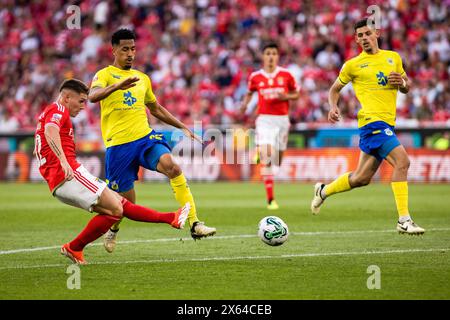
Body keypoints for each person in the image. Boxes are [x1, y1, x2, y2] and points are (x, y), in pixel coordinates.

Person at [34, 79, 190, 264]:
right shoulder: (58, 110)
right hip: (68, 174)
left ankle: (171, 218)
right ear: (67, 97)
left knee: (119, 202)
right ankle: (74, 247)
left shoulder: (49, 112)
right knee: (116, 209)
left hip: (63, 177)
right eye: (81, 101)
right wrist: (63, 162)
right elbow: (51, 132)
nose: (83, 106)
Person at [88, 29, 215, 252]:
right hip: (118, 146)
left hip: (145, 138)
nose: (130, 53)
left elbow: (155, 108)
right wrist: (116, 86)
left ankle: (195, 223)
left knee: (172, 167)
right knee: (124, 204)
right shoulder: (104, 74)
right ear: (114, 50)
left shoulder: (142, 79)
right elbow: (92, 96)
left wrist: (182, 125)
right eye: (125, 49)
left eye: (133, 49)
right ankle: (114, 229)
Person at [311, 18, 425, 235]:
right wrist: (333, 107)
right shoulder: (353, 65)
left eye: (367, 34)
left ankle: (323, 191)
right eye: (360, 35)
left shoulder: (393, 58)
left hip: (386, 122)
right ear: (356, 39)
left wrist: (402, 83)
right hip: (372, 122)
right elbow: (334, 89)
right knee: (403, 161)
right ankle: (404, 220)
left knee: (361, 178)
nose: (364, 38)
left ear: (377, 34)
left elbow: (407, 86)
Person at [240, 42, 300, 210]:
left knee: (278, 160)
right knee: (268, 156)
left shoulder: (287, 75)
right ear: (263, 56)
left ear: (277, 56)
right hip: (265, 119)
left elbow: (297, 93)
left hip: (282, 120)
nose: (271, 56)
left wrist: (285, 96)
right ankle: (270, 199)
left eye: (274, 53)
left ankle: (260, 152)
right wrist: (245, 105)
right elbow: (249, 92)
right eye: (268, 53)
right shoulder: (255, 77)